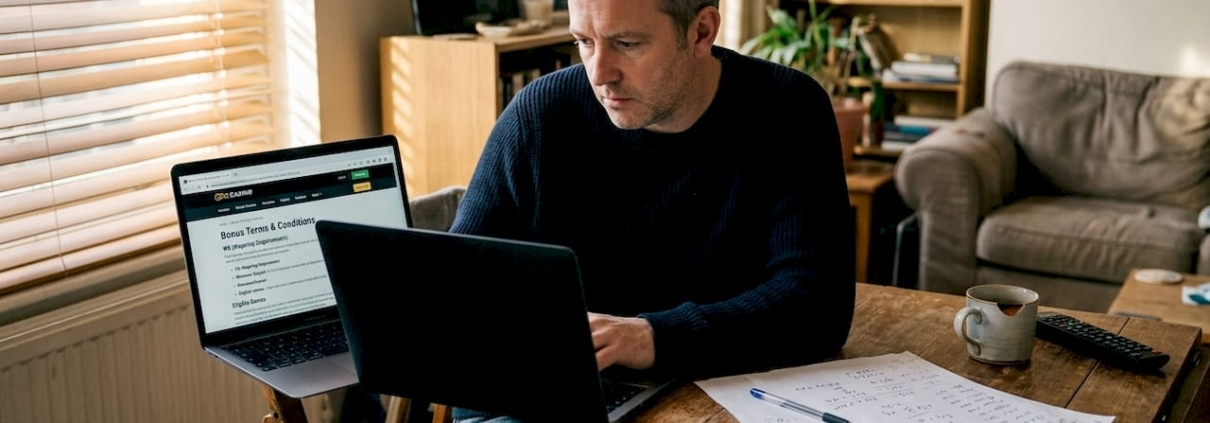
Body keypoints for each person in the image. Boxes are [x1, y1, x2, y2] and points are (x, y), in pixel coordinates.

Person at [448, 0, 855, 421]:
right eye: (583, 42)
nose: (599, 73)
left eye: (625, 43)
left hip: (722, 394)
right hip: (541, 399)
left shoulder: (786, 109)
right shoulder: (540, 113)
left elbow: (818, 308)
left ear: (701, 32)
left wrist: (652, 338)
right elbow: (455, 284)